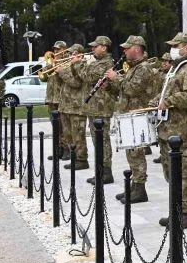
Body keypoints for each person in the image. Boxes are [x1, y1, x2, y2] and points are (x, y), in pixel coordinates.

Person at [153, 32, 187, 229]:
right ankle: (175, 209)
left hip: (183, 130)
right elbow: (168, 92)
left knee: (184, 173)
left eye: (177, 45)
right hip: (169, 129)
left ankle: (186, 213)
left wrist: (169, 101)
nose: (173, 48)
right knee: (171, 173)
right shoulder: (176, 69)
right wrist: (156, 101)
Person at [106, 36, 159, 204]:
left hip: (138, 115)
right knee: (131, 153)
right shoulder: (134, 68)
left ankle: (140, 188)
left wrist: (116, 78)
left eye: (127, 48)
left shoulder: (143, 68)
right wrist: (109, 84)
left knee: (137, 153)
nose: (124, 51)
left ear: (137, 49)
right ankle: (134, 186)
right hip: (130, 115)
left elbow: (131, 89)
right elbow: (122, 91)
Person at [74, 36, 117, 185]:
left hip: (101, 108)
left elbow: (88, 76)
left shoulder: (106, 63)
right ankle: (100, 171)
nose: (92, 49)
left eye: (95, 46)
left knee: (102, 140)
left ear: (104, 47)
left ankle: (106, 172)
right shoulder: (97, 62)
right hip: (94, 108)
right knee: (96, 140)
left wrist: (78, 63)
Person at [57, 44, 90, 171]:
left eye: (73, 53)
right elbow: (63, 82)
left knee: (78, 135)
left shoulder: (82, 66)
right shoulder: (69, 66)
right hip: (66, 106)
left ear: (80, 54)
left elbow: (76, 83)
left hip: (77, 106)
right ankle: (74, 157)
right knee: (68, 134)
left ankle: (82, 159)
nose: (71, 56)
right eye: (70, 53)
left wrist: (62, 72)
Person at [44, 40, 69, 161]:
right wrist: (49, 65)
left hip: (61, 99)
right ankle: (57, 150)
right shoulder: (52, 62)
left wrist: (58, 68)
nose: (55, 52)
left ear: (64, 49)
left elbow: (67, 79)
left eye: (58, 50)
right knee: (55, 127)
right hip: (51, 99)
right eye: (54, 50)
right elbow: (43, 77)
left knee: (63, 127)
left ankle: (66, 150)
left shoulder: (67, 62)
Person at [152, 52, 172, 166]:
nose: (164, 63)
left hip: (166, 105)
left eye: (167, 61)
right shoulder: (160, 73)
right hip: (158, 103)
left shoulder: (171, 74)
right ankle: (162, 153)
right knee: (159, 130)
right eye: (163, 61)